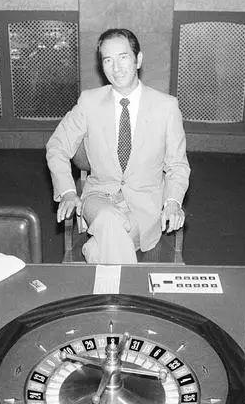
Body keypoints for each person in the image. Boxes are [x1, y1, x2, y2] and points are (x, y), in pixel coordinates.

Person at [46, 28, 190, 264]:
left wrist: (173, 202)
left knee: (102, 241)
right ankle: (129, 283)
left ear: (138, 60)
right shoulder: (89, 102)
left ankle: (94, 253)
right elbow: (57, 146)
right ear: (101, 66)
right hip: (98, 199)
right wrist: (68, 192)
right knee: (107, 218)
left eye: (123, 57)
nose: (116, 68)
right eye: (108, 60)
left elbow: (177, 165)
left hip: (143, 208)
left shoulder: (166, 107)